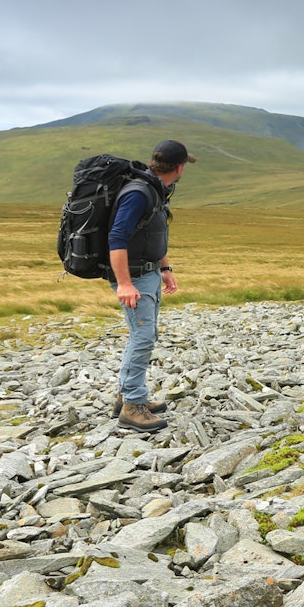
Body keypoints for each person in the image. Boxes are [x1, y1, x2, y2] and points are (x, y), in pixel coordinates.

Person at [108, 140, 194, 432]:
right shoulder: (139, 193)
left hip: (148, 272)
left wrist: (165, 267)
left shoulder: (154, 190)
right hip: (134, 277)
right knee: (143, 337)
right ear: (179, 166)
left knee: (142, 335)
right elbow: (117, 236)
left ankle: (125, 396)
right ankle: (133, 406)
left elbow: (152, 235)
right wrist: (124, 283)